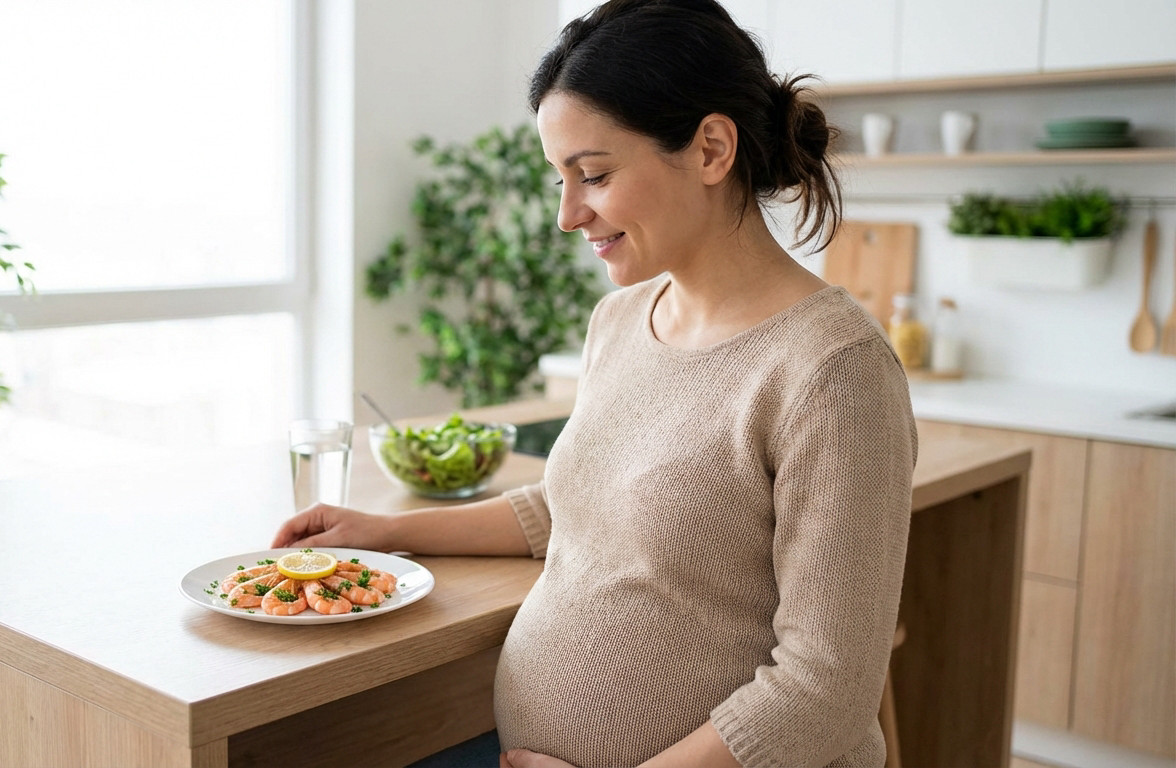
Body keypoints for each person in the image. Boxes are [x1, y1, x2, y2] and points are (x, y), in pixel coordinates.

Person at [272, 0, 918, 765]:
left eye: (595, 175)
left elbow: (824, 691)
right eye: (560, 179)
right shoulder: (619, 320)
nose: (567, 215)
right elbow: (579, 506)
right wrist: (384, 533)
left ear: (712, 149)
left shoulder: (834, 372)